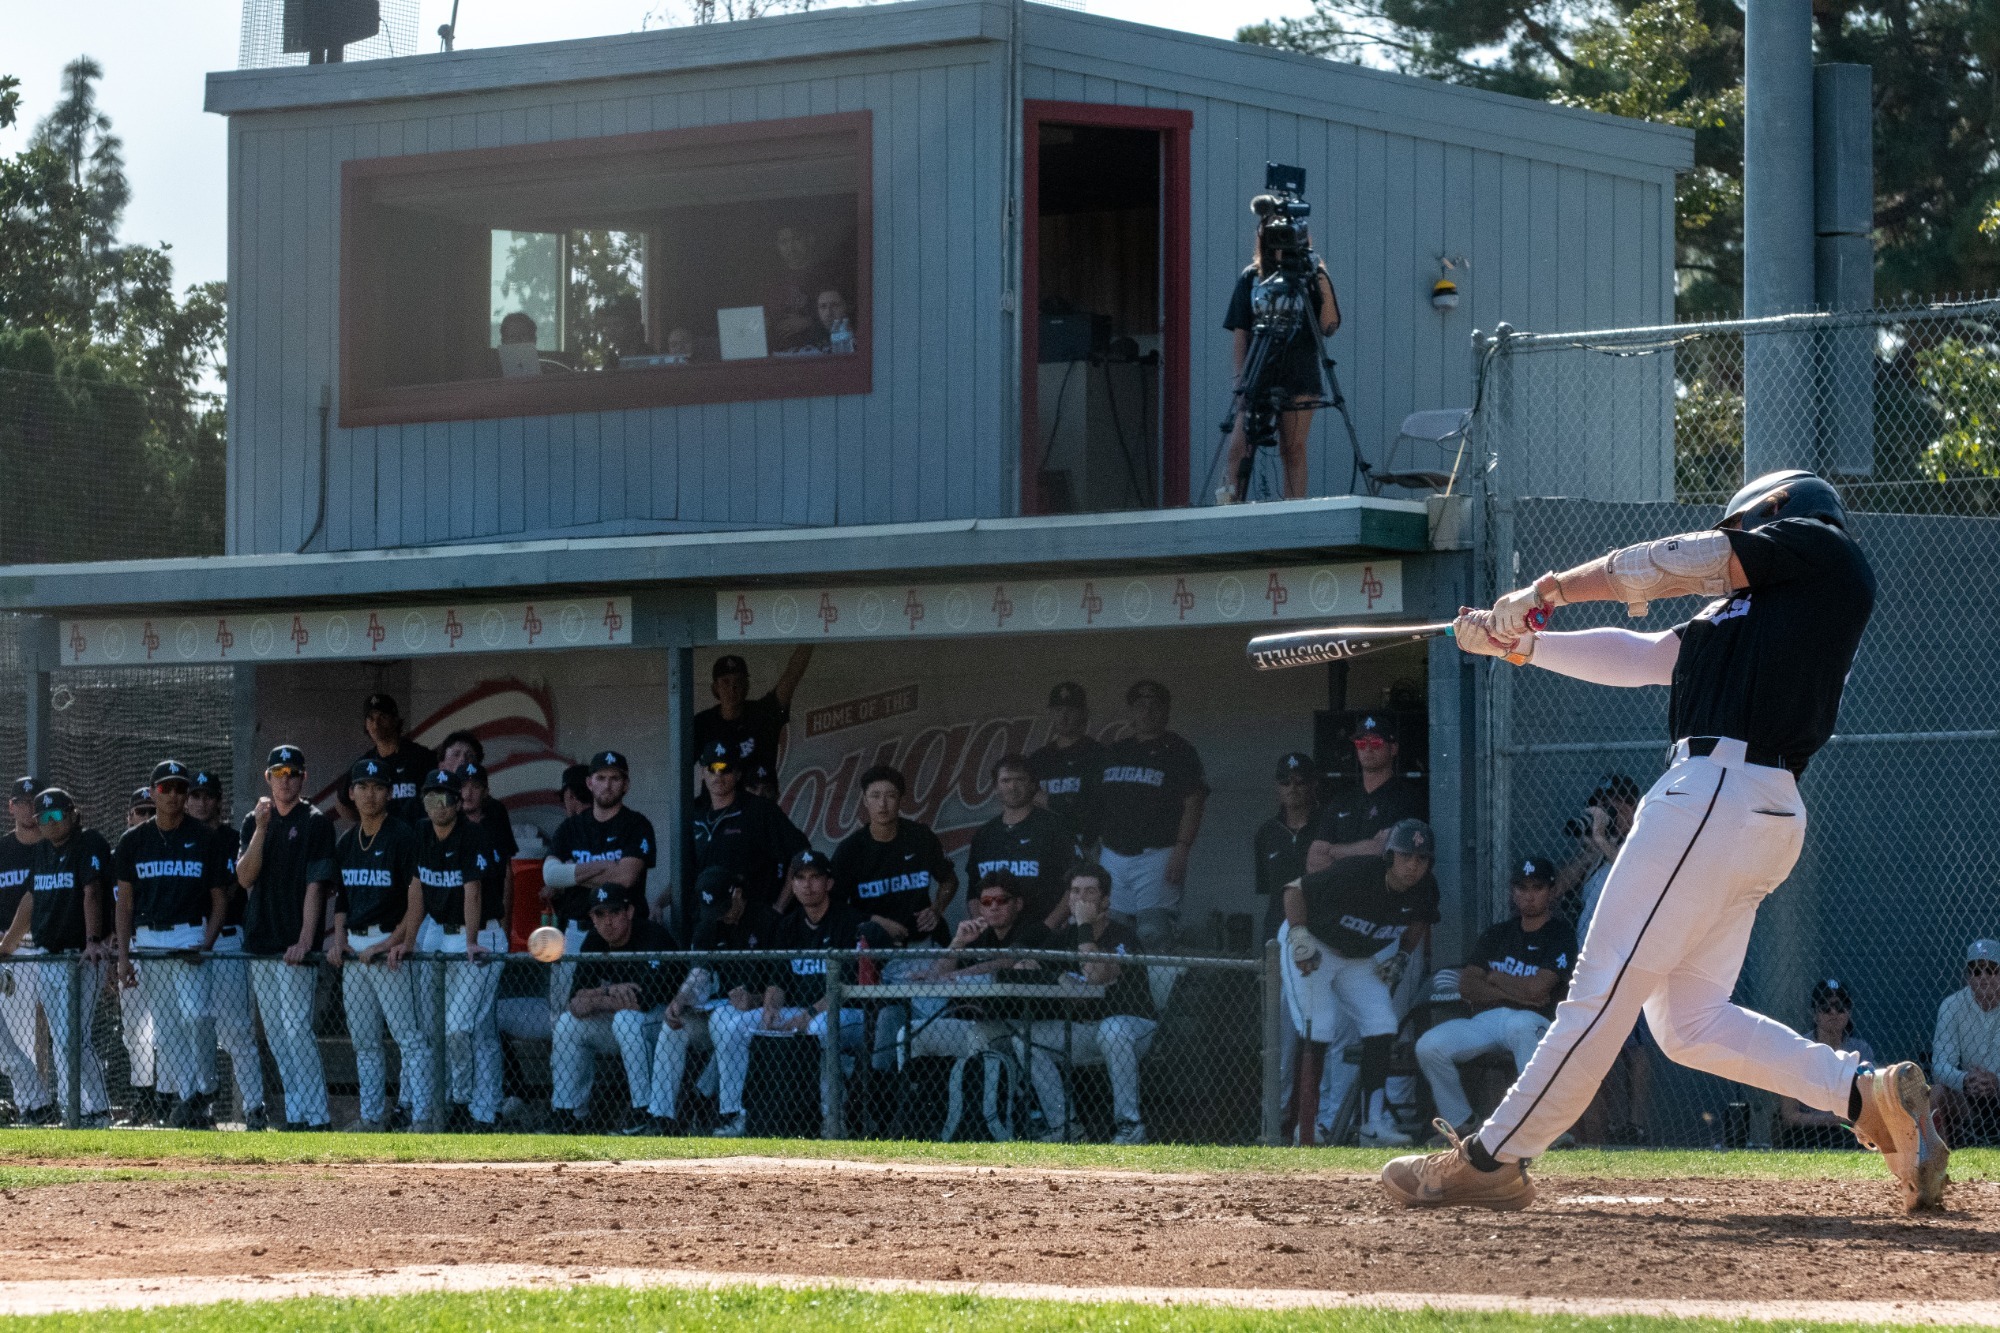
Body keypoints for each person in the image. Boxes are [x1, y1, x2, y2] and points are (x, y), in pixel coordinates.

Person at [1384, 468, 1948, 1214]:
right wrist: (1519, 646)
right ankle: (1863, 1094)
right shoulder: (1748, 613)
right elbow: (1645, 655)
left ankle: (1495, 1157)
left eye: (1741, 527)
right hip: (1742, 808)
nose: (1735, 539)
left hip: (1718, 792)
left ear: (1775, 510)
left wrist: (1545, 592)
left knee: (1602, 985)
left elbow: (1677, 560)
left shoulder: (1822, 551)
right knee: (1687, 1021)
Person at [1282, 818, 1437, 1147]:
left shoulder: (1425, 888)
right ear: (1389, 856)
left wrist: (1403, 955)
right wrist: (1298, 934)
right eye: (1405, 855)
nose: (1413, 865)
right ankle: (1305, 1127)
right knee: (1318, 1027)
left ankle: (1373, 1124)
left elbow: (1420, 919)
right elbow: (1294, 890)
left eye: (1421, 858)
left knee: (1382, 1022)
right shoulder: (1357, 872)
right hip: (1314, 944)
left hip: (1356, 957)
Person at [707, 849, 869, 1138]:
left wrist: (808, 1015)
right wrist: (770, 1008)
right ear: (792, 885)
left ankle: (832, 1119)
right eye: (800, 878)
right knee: (735, 1027)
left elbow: (844, 989)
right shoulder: (788, 926)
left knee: (819, 1028)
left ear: (829, 883)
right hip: (802, 1011)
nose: (807, 885)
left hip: (847, 1014)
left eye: (815, 877)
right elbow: (778, 981)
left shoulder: (850, 921)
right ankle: (737, 1114)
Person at [1415, 856, 1576, 1141]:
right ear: (1513, 892)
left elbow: (1538, 990)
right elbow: (1467, 986)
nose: (1529, 896)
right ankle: (1463, 1124)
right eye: (1522, 888)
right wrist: (1511, 991)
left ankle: (1538, 1128)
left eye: (1537, 888)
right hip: (1486, 1020)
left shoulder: (1560, 935)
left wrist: (1495, 977)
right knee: (1429, 1045)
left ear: (1551, 891)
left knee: (1521, 1026)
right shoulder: (1497, 934)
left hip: (1534, 1020)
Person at [113, 760, 231, 1130]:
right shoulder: (133, 841)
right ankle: (189, 1099)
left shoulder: (204, 837)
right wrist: (123, 956)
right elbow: (124, 904)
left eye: (181, 788)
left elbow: (220, 901)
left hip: (190, 934)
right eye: (166, 788)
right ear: (152, 793)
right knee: (165, 1028)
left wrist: (206, 945)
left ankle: (205, 1088)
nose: (175, 795)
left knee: (196, 1014)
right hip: (149, 937)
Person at [236, 744, 337, 1131]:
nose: (285, 780)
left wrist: (306, 940)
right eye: (278, 773)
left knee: (297, 1029)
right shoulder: (254, 821)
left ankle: (318, 1116)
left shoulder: (315, 822)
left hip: (294, 945)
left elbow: (316, 886)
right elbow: (245, 877)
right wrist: (262, 829)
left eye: (293, 774)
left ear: (303, 778)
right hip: (261, 939)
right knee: (277, 1034)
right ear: (267, 778)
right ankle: (297, 1114)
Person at [329, 757, 432, 1132]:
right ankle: (371, 1117)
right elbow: (342, 899)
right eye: (363, 787)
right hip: (356, 949)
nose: (370, 794)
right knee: (364, 1042)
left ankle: (421, 1117)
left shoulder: (402, 835)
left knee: (409, 1038)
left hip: (389, 948)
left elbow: (416, 900)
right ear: (352, 793)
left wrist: (391, 942)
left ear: (389, 793)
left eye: (378, 787)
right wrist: (339, 939)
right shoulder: (347, 841)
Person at [1218, 203, 1341, 502]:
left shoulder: (1310, 275)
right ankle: (1229, 509)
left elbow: (1329, 326)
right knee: (1238, 448)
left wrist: (1321, 280)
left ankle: (1293, 511)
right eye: (1274, 229)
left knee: (1293, 449)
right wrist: (1239, 378)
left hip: (1299, 372)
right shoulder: (1251, 277)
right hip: (1258, 370)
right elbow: (1241, 331)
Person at [1027, 862, 1157, 1145]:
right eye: (1075, 892)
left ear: (1105, 900)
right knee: (1026, 1038)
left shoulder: (1122, 934)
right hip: (1086, 1029)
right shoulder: (1063, 938)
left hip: (1134, 1027)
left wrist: (1084, 926)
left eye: (1089, 892)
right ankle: (1066, 1126)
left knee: (1112, 1030)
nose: (1081, 899)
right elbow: (1025, 964)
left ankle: (1130, 1126)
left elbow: (1096, 975)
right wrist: (1049, 973)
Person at [6, 789, 111, 1126]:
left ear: (72, 814)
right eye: (43, 818)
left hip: (80, 957)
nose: (50, 823)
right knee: (64, 1040)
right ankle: (78, 1111)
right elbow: (30, 900)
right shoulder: (42, 851)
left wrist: (93, 940)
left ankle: (97, 1111)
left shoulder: (88, 842)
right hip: (47, 957)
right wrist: (6, 946)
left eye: (57, 815)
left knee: (74, 1038)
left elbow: (92, 892)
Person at [411, 767, 507, 1131]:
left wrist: (469, 941)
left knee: (461, 1028)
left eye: (447, 797)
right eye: (432, 797)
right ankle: (471, 1107)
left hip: (480, 935)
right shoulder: (421, 832)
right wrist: (408, 941)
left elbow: (474, 891)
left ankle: (470, 1103)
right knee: (446, 1029)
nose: (440, 804)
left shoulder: (474, 834)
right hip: (438, 932)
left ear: (457, 802)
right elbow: (416, 890)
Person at [548, 885, 682, 1133]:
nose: (607, 921)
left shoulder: (652, 936)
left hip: (666, 1023)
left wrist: (594, 997)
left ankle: (644, 1109)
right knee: (567, 1024)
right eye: (600, 914)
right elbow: (576, 1003)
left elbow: (642, 1002)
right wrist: (609, 991)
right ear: (592, 918)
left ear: (629, 912)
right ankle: (568, 1112)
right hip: (624, 1023)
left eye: (614, 912)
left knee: (626, 1019)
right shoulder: (594, 940)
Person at [1095, 681, 1207, 951]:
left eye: (1154, 706)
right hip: (1112, 853)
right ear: (1131, 712)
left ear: (1166, 711)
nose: (1147, 712)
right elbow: (1099, 802)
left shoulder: (1179, 751)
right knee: (1112, 930)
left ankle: (1158, 982)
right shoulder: (1115, 751)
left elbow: (1194, 801)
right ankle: (1120, 981)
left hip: (1158, 854)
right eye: (1140, 706)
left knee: (1153, 932)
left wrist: (1182, 849)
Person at [908, 870, 1053, 1065]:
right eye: (986, 902)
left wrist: (958, 976)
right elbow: (938, 975)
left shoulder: (1033, 929)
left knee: (979, 1036)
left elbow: (1008, 961)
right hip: (976, 1023)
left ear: (1018, 904)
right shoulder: (980, 934)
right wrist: (958, 942)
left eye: (1001, 900)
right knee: (910, 1033)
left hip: (1024, 1027)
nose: (993, 907)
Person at [187, 769, 265, 1130]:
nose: (202, 803)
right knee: (197, 1025)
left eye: (208, 796)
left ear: (219, 800)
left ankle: (254, 1107)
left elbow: (239, 886)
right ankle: (203, 1100)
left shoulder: (235, 837)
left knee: (236, 1030)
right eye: (195, 796)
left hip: (229, 938)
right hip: (191, 940)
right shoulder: (181, 839)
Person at [542, 750, 658, 956]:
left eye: (615, 778)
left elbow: (625, 877)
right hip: (577, 931)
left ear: (626, 785)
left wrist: (571, 873)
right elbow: (550, 875)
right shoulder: (571, 827)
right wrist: (605, 867)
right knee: (575, 980)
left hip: (627, 934)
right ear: (589, 783)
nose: (607, 785)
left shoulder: (637, 824)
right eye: (601, 778)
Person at [831, 764, 957, 949]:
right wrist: (875, 920)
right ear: (865, 800)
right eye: (875, 796)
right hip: (873, 947)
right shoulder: (850, 849)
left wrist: (937, 909)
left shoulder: (921, 837)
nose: (882, 804)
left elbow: (949, 880)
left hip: (921, 944)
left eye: (890, 796)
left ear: (900, 799)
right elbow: (834, 905)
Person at [687, 741, 808, 927]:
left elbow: (801, 853)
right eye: (712, 768)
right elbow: (687, 868)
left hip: (753, 921)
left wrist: (779, 907)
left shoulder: (760, 810)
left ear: (737, 774)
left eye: (726, 768)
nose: (718, 774)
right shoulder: (697, 814)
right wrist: (660, 902)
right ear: (702, 772)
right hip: (708, 918)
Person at [966, 754, 1076, 929]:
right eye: (1006, 780)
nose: (1012, 787)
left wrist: (1046, 929)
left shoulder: (1054, 827)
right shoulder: (984, 834)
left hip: (1043, 935)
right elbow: (973, 891)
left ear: (1033, 785)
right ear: (995, 787)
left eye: (1020, 779)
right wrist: (984, 929)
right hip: (996, 935)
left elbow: (1075, 885)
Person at [1305, 715, 1426, 874]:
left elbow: (1381, 850)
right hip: (1342, 888)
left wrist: (1334, 851)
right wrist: (1365, 848)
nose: (1368, 749)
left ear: (1393, 748)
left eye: (1376, 742)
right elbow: (1313, 861)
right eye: (1361, 743)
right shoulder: (1342, 800)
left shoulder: (1407, 799)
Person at [0, 778, 54, 1124]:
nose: (29, 809)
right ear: (12, 807)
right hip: (11, 952)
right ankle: (33, 1107)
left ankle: (67, 1106)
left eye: (35, 802)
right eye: (22, 802)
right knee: (19, 1035)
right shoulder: (3, 848)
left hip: (47, 947)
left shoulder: (52, 847)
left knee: (60, 1034)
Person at [1777, 979, 1877, 1149]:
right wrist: (1832, 1119)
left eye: (1840, 1007)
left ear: (1849, 1012)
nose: (1833, 1012)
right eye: (1825, 1007)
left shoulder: (1861, 1050)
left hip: (1849, 1132)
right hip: (1808, 1132)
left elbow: (1871, 1103)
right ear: (1814, 1013)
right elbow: (1790, 1115)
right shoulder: (1799, 1049)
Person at [693, 650, 814, 783]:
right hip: (717, 796)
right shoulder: (702, 723)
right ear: (715, 687)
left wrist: (809, 639)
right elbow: (681, 765)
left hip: (758, 794)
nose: (732, 688)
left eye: (738, 681)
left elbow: (792, 674)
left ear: (746, 685)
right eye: (726, 682)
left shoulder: (762, 714)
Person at [1931, 940, 2000, 1148]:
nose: (1984, 977)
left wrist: (1996, 1080)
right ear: (1967, 977)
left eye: (1991, 969)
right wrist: (1964, 1080)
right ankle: (1939, 1158)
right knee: (1936, 1093)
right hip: (1968, 1093)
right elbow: (1940, 1065)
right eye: (1976, 971)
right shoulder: (1952, 1006)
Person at [1553, 774, 1639, 933]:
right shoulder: (1599, 845)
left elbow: (1633, 875)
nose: (1606, 813)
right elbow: (1556, 889)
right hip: (1588, 941)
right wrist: (1589, 855)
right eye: (1601, 805)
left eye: (1613, 808)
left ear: (1631, 808)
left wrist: (1601, 839)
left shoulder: (1642, 840)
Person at [336, 693, 436, 826]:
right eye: (370, 718)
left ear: (395, 720)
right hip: (382, 836)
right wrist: (368, 821)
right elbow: (341, 802)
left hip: (415, 835)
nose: (376, 724)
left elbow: (441, 795)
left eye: (382, 717)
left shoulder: (421, 757)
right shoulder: (364, 764)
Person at [1028, 682, 1105, 853]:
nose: (1063, 717)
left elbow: (1092, 808)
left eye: (1070, 710)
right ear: (1050, 713)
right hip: (1045, 841)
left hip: (1084, 843)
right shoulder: (1039, 758)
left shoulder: (1098, 755)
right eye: (1058, 710)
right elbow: (1028, 803)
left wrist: (1050, 801)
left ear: (1084, 713)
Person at [1254, 753, 1319, 943]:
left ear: (1313, 784)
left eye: (1300, 782)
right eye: (1285, 782)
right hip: (1277, 929)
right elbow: (1266, 888)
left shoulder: (1328, 826)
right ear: (1277, 786)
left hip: (1320, 928)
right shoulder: (1266, 832)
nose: (1292, 788)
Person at [455, 761, 518, 863]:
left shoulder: (496, 813)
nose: (468, 793)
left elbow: (506, 862)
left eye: (476, 786)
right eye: (463, 786)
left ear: (485, 792)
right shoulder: (447, 820)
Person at [816, 289, 854, 353]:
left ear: (846, 307)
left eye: (834, 305)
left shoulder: (862, 334)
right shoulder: (807, 339)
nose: (828, 312)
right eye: (823, 306)